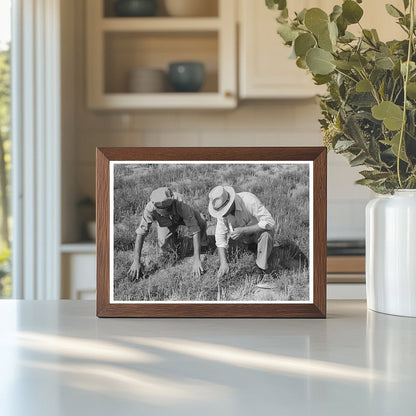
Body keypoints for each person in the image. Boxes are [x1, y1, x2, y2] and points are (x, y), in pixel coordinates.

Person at [128, 187, 207, 280]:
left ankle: (203, 244)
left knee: (201, 221)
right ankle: (175, 239)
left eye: (167, 210)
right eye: (161, 211)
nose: (163, 213)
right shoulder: (150, 208)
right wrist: (136, 261)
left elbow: (194, 229)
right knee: (167, 251)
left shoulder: (182, 204)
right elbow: (141, 233)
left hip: (181, 218)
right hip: (166, 224)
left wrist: (196, 260)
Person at [208, 185, 276, 279]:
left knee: (266, 235)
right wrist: (223, 263)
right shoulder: (222, 212)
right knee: (222, 255)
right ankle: (250, 249)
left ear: (230, 202)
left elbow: (270, 222)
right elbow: (220, 237)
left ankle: (261, 268)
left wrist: (243, 230)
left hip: (258, 234)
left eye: (224, 210)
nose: (223, 214)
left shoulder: (249, 200)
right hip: (242, 238)